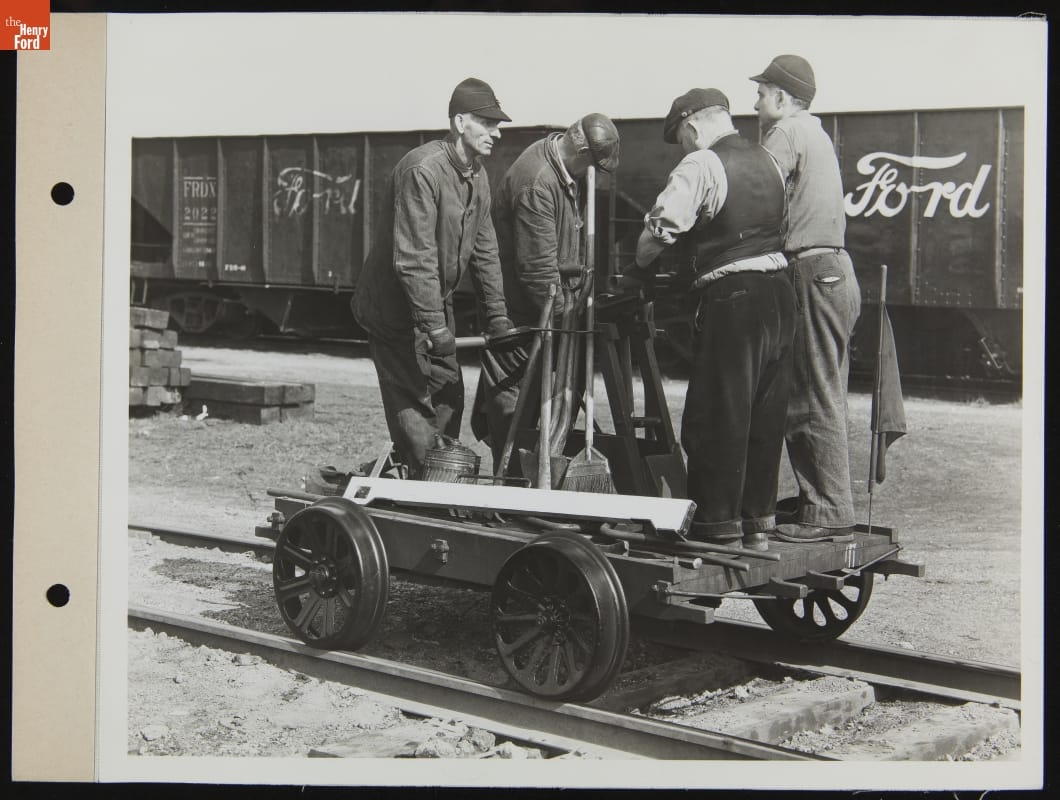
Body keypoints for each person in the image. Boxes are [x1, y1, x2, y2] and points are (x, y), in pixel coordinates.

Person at [619, 88, 795, 551]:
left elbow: (662, 229)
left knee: (719, 413)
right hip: (780, 294)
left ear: (692, 126)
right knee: (763, 415)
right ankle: (757, 525)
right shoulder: (769, 161)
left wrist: (638, 268)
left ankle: (717, 528)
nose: (682, 147)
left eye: (680, 137)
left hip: (734, 298)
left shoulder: (702, 163)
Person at [352, 77, 515, 478]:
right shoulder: (422, 169)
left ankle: (436, 472)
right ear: (460, 123)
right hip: (393, 308)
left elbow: (485, 250)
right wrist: (435, 326)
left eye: (497, 125)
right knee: (412, 398)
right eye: (487, 123)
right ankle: (426, 483)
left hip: (431, 302)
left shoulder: (477, 176)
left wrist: (497, 315)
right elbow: (413, 258)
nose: (496, 133)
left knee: (447, 389)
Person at [471, 114, 621, 470]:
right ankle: (511, 483)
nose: (594, 174)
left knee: (542, 406)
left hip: (546, 310)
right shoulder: (537, 183)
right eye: (593, 165)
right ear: (581, 152)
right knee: (514, 409)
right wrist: (569, 319)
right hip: (521, 316)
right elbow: (538, 272)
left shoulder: (562, 168)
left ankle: (534, 471)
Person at [751, 55, 860, 541]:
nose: (756, 103)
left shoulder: (785, 132)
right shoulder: (816, 133)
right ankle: (824, 502)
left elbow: (753, 195)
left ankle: (827, 512)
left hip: (810, 271)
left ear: (780, 97)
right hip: (834, 271)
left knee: (809, 396)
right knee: (824, 390)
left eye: (761, 94)